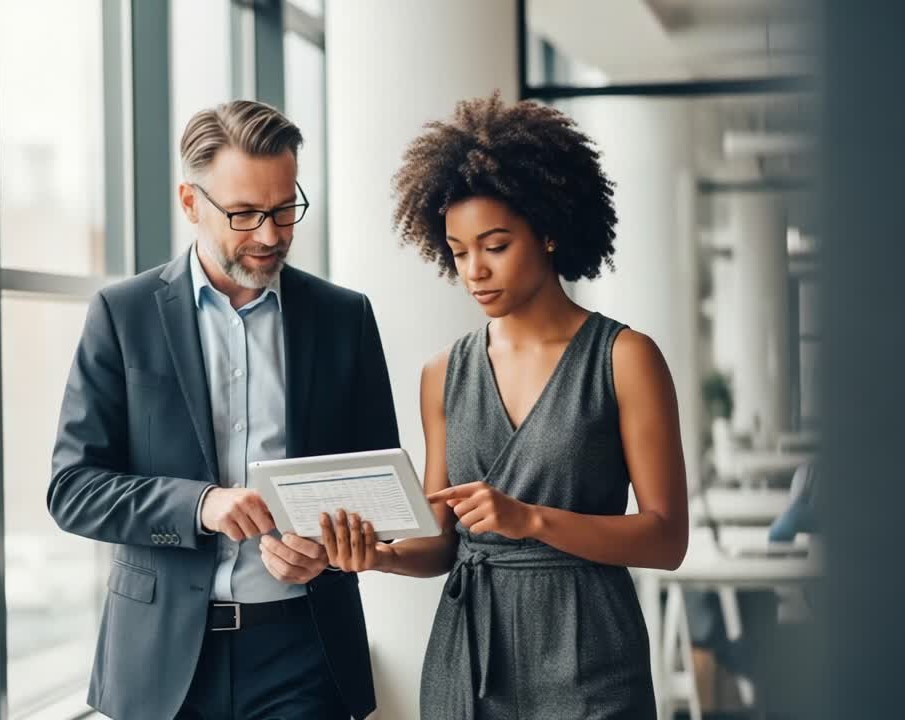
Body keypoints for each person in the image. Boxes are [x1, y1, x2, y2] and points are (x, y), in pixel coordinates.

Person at [319, 94, 690, 719]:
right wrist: (376, 556)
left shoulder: (625, 358)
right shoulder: (442, 374)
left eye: (494, 245)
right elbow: (442, 544)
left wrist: (531, 520)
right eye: (459, 252)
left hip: (591, 656)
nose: (474, 271)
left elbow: (666, 539)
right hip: (469, 659)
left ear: (547, 230)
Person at [48, 100, 399, 720]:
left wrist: (326, 548)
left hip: (304, 650)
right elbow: (73, 490)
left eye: (285, 208)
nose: (270, 235)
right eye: (243, 214)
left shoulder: (345, 318)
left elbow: (380, 493)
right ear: (190, 203)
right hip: (159, 660)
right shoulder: (121, 314)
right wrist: (201, 505)